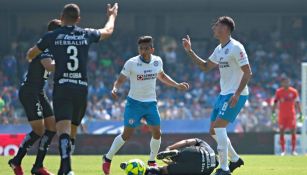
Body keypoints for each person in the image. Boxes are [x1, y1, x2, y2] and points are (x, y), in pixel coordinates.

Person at [26, 3, 118, 175]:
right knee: (73, 131)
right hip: (81, 88)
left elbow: (31, 54)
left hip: (63, 87)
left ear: (61, 17)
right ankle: (65, 169)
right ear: (78, 19)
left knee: (63, 130)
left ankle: (66, 168)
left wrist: (32, 54)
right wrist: (112, 15)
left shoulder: (52, 36)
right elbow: (108, 31)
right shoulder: (85, 33)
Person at [102, 36, 189, 175]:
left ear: (152, 49)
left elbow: (162, 76)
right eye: (141, 48)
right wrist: (115, 89)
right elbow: (120, 80)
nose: (143, 51)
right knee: (126, 134)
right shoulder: (131, 63)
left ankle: (151, 161)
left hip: (150, 104)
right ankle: (107, 159)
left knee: (157, 132)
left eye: (146, 48)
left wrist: (177, 85)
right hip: (134, 104)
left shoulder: (157, 61)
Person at [182, 16, 252, 175]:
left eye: (217, 25)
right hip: (223, 94)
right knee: (213, 131)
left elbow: (248, 72)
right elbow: (206, 67)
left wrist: (237, 93)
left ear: (225, 29)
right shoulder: (219, 49)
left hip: (235, 94)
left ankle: (224, 168)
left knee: (219, 127)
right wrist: (190, 51)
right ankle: (234, 159)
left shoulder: (236, 47)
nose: (213, 28)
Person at [8, 19, 61, 175]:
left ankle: (38, 166)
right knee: (38, 130)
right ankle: (15, 161)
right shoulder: (45, 48)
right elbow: (49, 66)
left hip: (39, 91)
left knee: (52, 127)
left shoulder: (51, 48)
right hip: (29, 92)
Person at [121, 138, 218, 175]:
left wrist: (169, 147)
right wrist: (173, 166)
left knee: (182, 153)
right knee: (163, 170)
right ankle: (146, 171)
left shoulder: (210, 149)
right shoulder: (210, 169)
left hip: (195, 152)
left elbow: (187, 142)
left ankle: (175, 153)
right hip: (200, 168)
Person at [272, 77, 303, 156]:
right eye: (284, 82)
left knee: (293, 132)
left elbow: (297, 103)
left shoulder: (294, 92)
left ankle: (293, 151)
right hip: (282, 115)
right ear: (282, 83)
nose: (286, 83)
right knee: (281, 132)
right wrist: (273, 113)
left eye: (287, 82)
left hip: (291, 115)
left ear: (289, 82)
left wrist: (300, 113)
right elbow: (275, 102)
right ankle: (283, 151)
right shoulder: (279, 92)